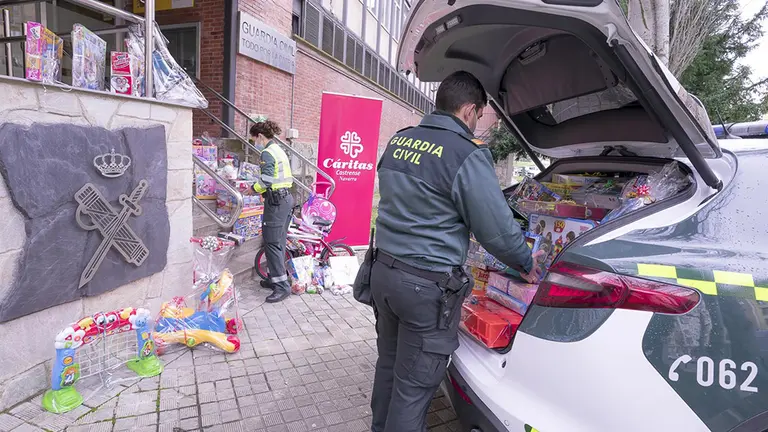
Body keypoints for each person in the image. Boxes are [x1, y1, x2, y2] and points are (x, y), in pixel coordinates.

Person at [370, 71, 544, 432]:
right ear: (468, 110)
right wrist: (526, 263)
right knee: (414, 387)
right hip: (424, 287)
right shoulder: (465, 154)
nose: (477, 123)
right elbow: (494, 228)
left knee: (389, 366)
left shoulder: (399, 141)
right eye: (479, 115)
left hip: (382, 273)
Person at [250, 120, 295, 303]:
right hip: (285, 199)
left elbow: (266, 180)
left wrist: (253, 189)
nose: (254, 143)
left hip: (276, 202)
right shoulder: (278, 149)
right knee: (279, 241)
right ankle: (276, 278)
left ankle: (282, 287)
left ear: (260, 136)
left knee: (271, 243)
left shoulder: (267, 152)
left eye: (253, 139)